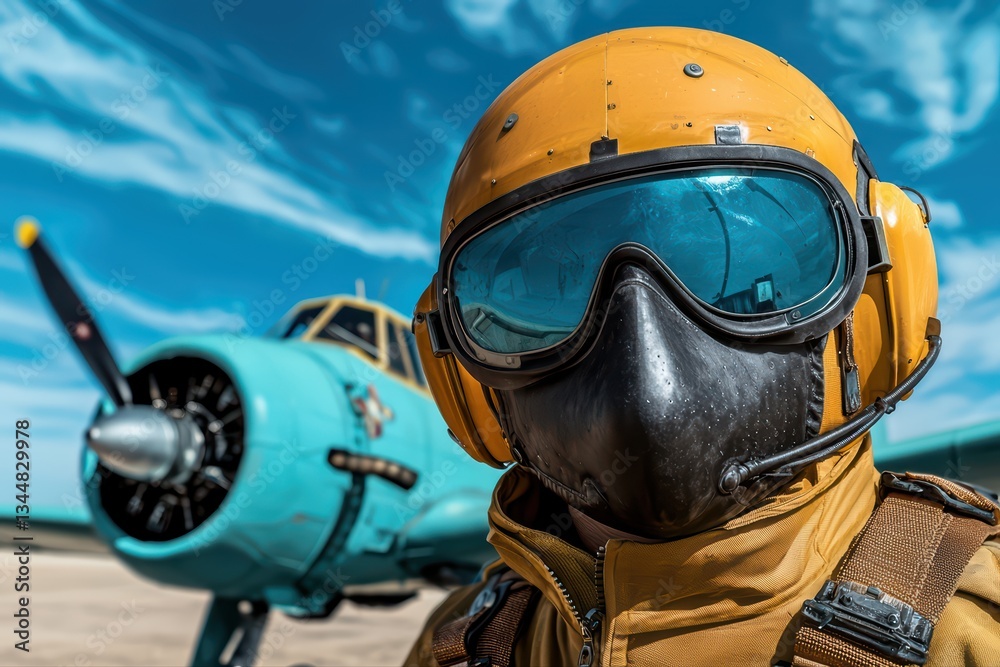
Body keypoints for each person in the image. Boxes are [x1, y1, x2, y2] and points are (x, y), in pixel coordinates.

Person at [406, 27, 1000, 666]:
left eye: (749, 289)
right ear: (461, 370)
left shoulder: (975, 628)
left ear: (882, 292)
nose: (644, 362)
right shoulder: (464, 642)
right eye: (559, 302)